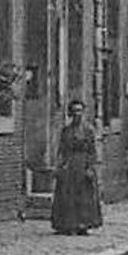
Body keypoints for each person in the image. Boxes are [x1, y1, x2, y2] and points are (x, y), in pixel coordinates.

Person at [51, 99, 103, 235]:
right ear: (70, 113)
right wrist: (59, 166)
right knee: (67, 195)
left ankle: (83, 224)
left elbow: (92, 151)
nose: (77, 114)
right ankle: (67, 225)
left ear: (83, 113)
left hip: (83, 163)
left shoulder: (89, 130)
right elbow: (61, 150)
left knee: (84, 195)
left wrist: (90, 168)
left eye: (80, 111)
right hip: (69, 165)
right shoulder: (66, 130)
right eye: (74, 111)